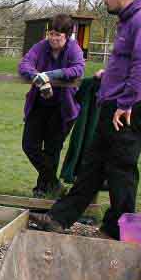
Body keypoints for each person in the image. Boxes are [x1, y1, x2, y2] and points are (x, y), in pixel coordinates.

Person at [32, 0, 141, 239]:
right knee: (93, 164)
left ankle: (118, 231)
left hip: (131, 108)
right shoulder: (129, 22)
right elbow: (131, 62)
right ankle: (59, 218)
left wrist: (126, 101)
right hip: (117, 103)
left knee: (121, 168)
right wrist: (111, 75)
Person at [18, 13, 86, 198]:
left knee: (52, 150)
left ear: (67, 36)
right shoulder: (41, 47)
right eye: (52, 34)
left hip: (63, 108)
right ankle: (54, 184)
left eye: (59, 35)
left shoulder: (74, 49)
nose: (54, 38)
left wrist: (50, 75)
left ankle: (42, 190)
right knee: (29, 145)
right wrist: (38, 79)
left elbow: (78, 69)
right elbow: (25, 64)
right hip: (39, 105)